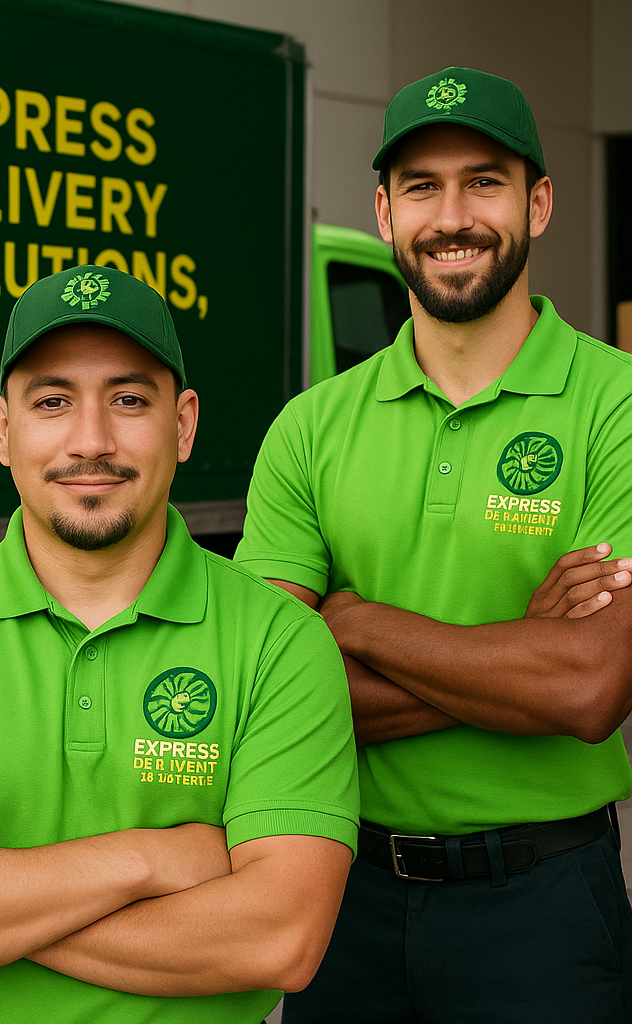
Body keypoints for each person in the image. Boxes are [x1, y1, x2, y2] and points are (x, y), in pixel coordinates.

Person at [0, 265, 359, 1024]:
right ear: (3, 429)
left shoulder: (281, 640)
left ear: (184, 424)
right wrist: (148, 859)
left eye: (129, 400)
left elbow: (280, 938)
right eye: (52, 402)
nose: (92, 441)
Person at [235, 67, 632, 1022]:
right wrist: (517, 659)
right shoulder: (310, 428)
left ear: (539, 203)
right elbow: (268, 706)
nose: (452, 217)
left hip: (544, 904)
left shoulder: (616, 407)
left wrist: (356, 622)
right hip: (344, 894)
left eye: (484, 182)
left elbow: (589, 690)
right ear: (384, 212)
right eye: (421, 186)